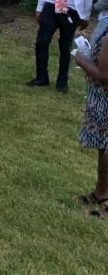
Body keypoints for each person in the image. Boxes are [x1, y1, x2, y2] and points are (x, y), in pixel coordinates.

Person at [74, 15, 108, 214]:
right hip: (102, 101)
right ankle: (101, 192)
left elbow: (105, 76)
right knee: (103, 148)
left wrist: (79, 59)